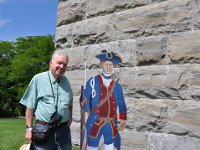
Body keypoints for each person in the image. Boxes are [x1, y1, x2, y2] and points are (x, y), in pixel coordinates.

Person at [20, 49, 73, 150]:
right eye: (59, 63)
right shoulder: (38, 79)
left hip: (63, 131)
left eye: (64, 65)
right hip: (43, 130)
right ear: (51, 63)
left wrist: (70, 116)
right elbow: (30, 106)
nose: (62, 67)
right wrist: (29, 129)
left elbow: (70, 101)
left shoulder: (65, 81)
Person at [82, 50, 127, 150]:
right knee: (92, 146)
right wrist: (83, 102)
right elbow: (85, 102)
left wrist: (123, 118)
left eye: (111, 64)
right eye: (106, 64)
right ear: (101, 64)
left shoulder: (117, 86)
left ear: (113, 67)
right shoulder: (92, 82)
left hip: (111, 123)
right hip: (95, 121)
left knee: (110, 145)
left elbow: (122, 103)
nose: (108, 67)